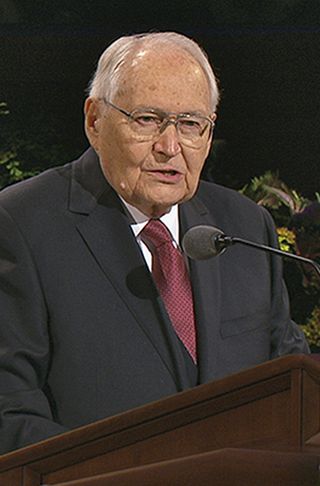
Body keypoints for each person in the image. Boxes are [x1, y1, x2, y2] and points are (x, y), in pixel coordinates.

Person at [0, 32, 309, 455]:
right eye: (146, 119)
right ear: (94, 120)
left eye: (190, 125)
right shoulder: (21, 223)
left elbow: (291, 382)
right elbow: (10, 411)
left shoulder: (245, 226)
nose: (169, 147)